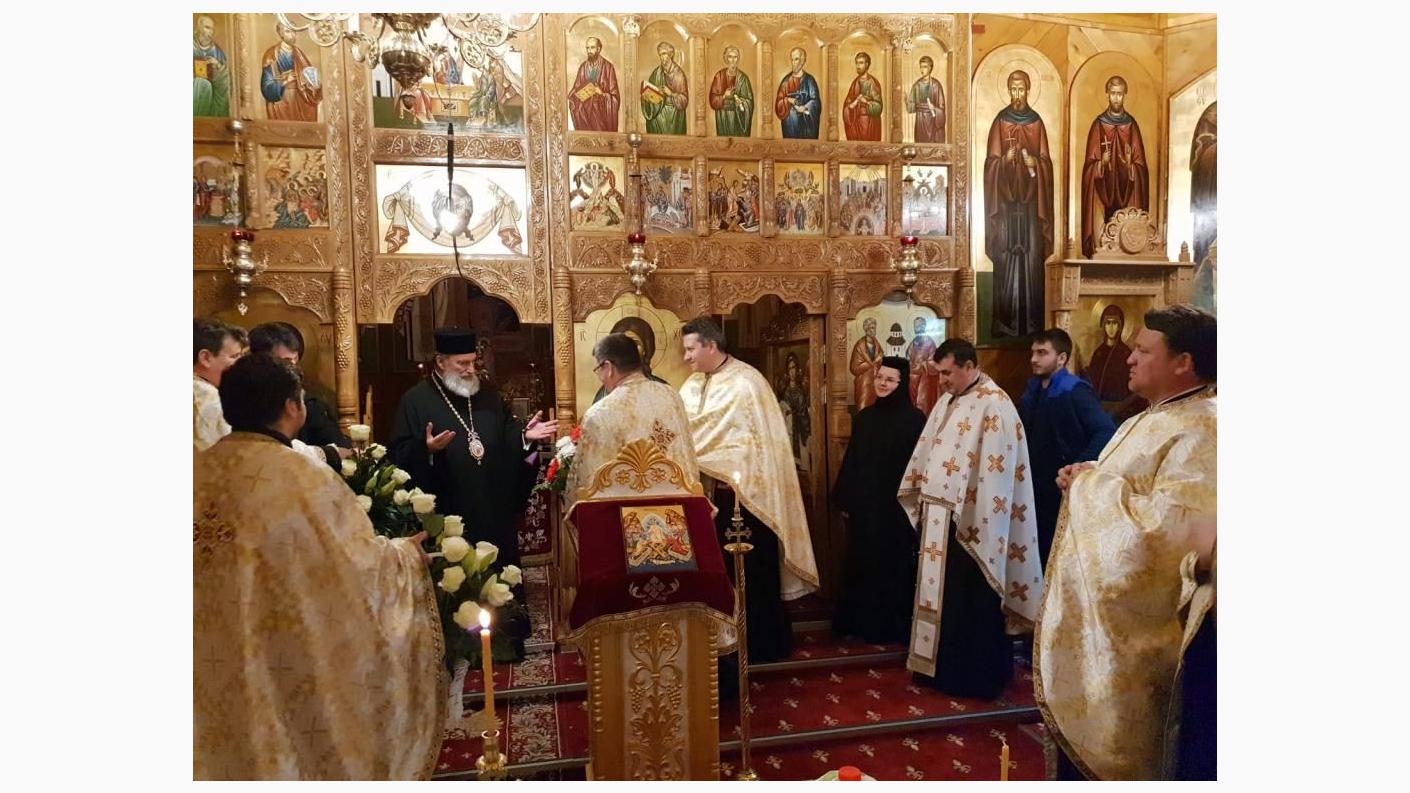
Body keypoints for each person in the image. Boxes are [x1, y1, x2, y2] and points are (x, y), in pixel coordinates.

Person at [195, 354, 442, 779]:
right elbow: (354, 564)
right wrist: (404, 554)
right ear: (293, 407)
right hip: (275, 650)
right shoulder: (302, 478)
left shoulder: (196, 472)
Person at [1035, 305, 1216, 781]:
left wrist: (1088, 487)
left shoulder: (1205, 429)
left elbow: (1171, 533)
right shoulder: (1151, 417)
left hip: (1149, 645)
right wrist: (1091, 473)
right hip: (1108, 634)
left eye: (1143, 350)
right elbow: (1132, 486)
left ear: (1184, 362)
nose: (1129, 358)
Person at [897, 339, 1042, 700]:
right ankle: (936, 668)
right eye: (939, 373)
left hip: (975, 524)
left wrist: (976, 517)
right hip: (939, 518)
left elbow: (997, 474)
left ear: (968, 365)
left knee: (971, 598)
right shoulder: (948, 400)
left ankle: (973, 677)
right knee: (943, 597)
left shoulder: (996, 405)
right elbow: (928, 451)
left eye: (947, 373)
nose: (942, 380)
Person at [679, 317, 819, 668]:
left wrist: (723, 465)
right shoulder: (692, 385)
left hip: (746, 499)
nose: (686, 357)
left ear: (711, 346)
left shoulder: (747, 383)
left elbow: (758, 446)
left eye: (691, 349)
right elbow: (681, 434)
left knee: (751, 574)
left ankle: (759, 644)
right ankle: (721, 647)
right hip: (706, 499)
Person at [388, 328, 558, 570]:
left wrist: (523, 436)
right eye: (462, 363)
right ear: (440, 362)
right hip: (447, 508)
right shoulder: (415, 401)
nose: (470, 369)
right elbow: (398, 453)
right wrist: (426, 449)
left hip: (491, 507)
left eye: (473, 362)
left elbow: (506, 434)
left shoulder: (488, 396)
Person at [831, 357, 927, 644]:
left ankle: (890, 628)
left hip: (896, 508)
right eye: (879, 378)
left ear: (902, 383)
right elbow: (853, 460)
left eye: (889, 379)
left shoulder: (915, 420)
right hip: (866, 505)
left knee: (893, 565)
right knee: (863, 561)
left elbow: (919, 465)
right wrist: (845, 497)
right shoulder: (864, 418)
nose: (882, 383)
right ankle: (859, 623)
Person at [1016, 328, 1114, 566]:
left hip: (1060, 483)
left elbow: (1105, 430)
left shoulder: (1074, 390)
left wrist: (1077, 466)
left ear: (1061, 358)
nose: (1034, 359)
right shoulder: (1033, 389)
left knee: (1057, 552)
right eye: (1033, 353)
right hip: (1034, 482)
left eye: (1042, 353)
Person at [985, 70, 1054, 339]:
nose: (1017, 95)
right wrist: (1004, 160)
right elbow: (990, 164)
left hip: (1032, 209)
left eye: (1021, 89)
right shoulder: (1000, 122)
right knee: (1005, 259)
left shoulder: (1036, 123)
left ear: (1028, 90)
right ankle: (1005, 324)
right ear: (1008, 90)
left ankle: (1034, 324)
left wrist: (1034, 163)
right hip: (1004, 208)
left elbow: (1046, 163)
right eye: (1013, 89)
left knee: (1032, 260)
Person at [247, 322, 351, 464]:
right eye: (286, 362)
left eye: (295, 360)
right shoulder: (241, 398)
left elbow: (339, 445)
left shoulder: (309, 403)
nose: (293, 368)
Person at [1080, 75, 1149, 258]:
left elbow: (1141, 168)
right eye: (1113, 93)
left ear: (1125, 95)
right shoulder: (1098, 125)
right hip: (1102, 194)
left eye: (1120, 94)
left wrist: (1130, 166)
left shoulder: (1131, 126)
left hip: (1127, 193)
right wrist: (1101, 164)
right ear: (1107, 95)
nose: (1116, 98)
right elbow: (1088, 169)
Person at [1083, 304, 1147, 421]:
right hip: (1100, 407)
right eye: (1108, 323)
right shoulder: (1098, 353)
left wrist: (1121, 406)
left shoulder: (1125, 353)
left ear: (1120, 326)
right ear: (1103, 326)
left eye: (1115, 323)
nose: (1111, 327)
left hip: (1121, 409)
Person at [591, 317, 668, 404]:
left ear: (645, 348)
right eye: (621, 347)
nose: (628, 350)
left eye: (635, 344)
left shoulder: (665, 391)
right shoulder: (603, 395)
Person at [194, 318, 244, 452]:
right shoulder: (207, 396)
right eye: (235, 356)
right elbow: (225, 453)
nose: (240, 364)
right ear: (205, 358)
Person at [260, 24, 322, 122]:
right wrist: (285, 81)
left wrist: (313, 84)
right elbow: (266, 86)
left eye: (294, 31)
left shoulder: (299, 53)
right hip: (282, 102)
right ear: (281, 34)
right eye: (288, 31)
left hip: (300, 99)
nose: (292, 34)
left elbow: (308, 75)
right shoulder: (271, 55)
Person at [569, 36, 621, 132]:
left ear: (599, 49)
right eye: (587, 48)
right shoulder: (583, 68)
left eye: (592, 47)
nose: (589, 51)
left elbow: (615, 98)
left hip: (600, 114)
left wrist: (601, 93)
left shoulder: (608, 67)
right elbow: (575, 90)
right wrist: (576, 95)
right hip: (584, 113)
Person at [642, 42, 689, 135]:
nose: (662, 57)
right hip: (658, 114)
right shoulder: (656, 73)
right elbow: (649, 92)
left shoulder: (679, 75)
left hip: (673, 117)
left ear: (670, 54)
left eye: (664, 54)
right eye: (660, 55)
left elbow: (684, 101)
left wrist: (671, 93)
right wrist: (646, 95)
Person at [774, 47, 821, 139]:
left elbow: (816, 102)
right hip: (790, 127)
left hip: (806, 128)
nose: (793, 63)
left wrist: (805, 107)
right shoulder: (786, 82)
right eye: (792, 59)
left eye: (796, 59)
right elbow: (778, 103)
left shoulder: (810, 81)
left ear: (803, 61)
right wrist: (788, 100)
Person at [709, 45, 754, 137]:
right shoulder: (719, 76)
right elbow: (712, 100)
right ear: (726, 59)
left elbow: (750, 101)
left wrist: (741, 103)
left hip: (738, 119)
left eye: (735, 57)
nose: (733, 60)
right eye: (730, 57)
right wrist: (724, 96)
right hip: (723, 117)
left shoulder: (743, 78)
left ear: (738, 59)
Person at [193, 15, 231, 117]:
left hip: (211, 84)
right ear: (199, 27)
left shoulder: (216, 50)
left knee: (216, 83)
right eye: (207, 27)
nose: (210, 32)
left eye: (212, 29)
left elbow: (225, 74)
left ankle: (214, 117)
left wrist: (217, 65)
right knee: (203, 84)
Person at [904, 316, 940, 415]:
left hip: (925, 380)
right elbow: (908, 357)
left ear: (924, 326)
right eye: (915, 326)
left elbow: (934, 362)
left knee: (923, 404)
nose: (916, 328)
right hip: (913, 379)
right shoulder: (913, 342)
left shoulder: (930, 343)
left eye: (918, 326)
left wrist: (923, 364)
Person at [842, 52, 883, 141]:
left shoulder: (873, 83)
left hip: (869, 124)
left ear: (867, 64)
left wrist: (866, 102)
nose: (858, 66)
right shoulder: (855, 83)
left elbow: (879, 107)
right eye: (857, 63)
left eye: (861, 63)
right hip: (856, 125)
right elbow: (847, 104)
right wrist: (854, 103)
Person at [905, 56, 945, 143]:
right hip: (920, 120)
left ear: (930, 68)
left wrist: (934, 108)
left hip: (932, 121)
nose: (922, 70)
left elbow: (942, 108)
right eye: (921, 67)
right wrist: (906, 100)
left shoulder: (936, 85)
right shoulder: (917, 85)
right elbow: (910, 109)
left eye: (925, 67)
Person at [849, 318, 884, 410]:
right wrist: (872, 363)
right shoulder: (859, 346)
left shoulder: (876, 344)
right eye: (871, 328)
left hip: (875, 380)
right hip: (863, 381)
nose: (873, 330)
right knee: (863, 404)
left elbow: (881, 359)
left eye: (874, 327)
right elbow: (854, 368)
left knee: (874, 406)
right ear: (866, 329)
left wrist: (879, 361)